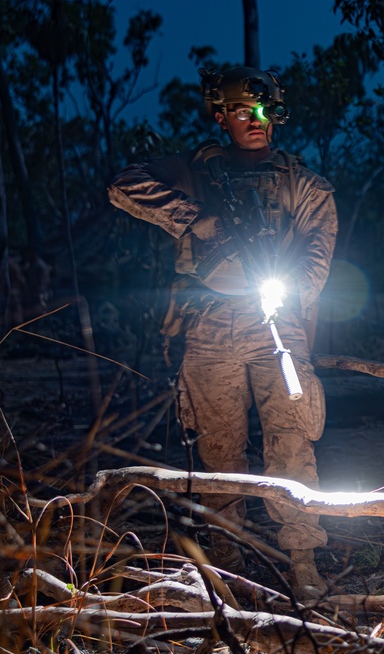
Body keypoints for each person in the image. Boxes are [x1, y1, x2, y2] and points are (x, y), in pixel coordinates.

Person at [107, 66, 338, 600]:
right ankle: (227, 562)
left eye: (265, 111)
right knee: (219, 452)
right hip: (207, 328)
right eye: (241, 111)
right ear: (221, 116)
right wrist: (196, 218)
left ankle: (303, 560)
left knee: (291, 446)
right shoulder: (195, 171)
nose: (256, 122)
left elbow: (315, 265)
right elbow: (123, 185)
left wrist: (280, 292)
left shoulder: (305, 186)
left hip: (276, 328)